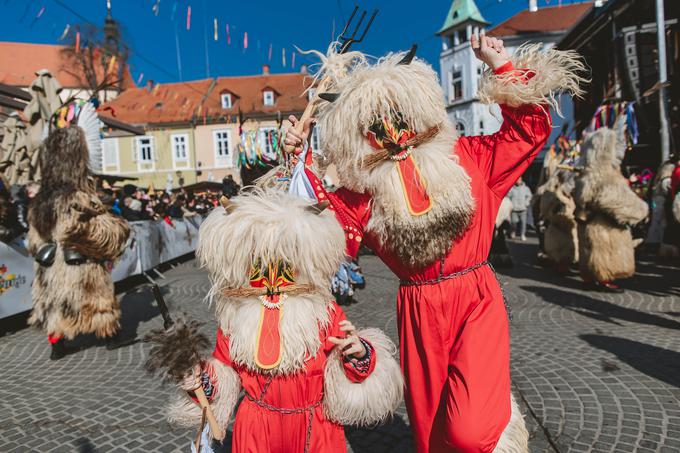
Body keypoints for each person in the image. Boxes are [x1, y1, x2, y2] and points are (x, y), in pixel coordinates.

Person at [285, 35, 585, 452]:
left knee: (470, 430)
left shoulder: (470, 158)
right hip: (419, 312)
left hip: (476, 301)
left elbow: (527, 133)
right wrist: (295, 159)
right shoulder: (364, 193)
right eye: (376, 128)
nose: (394, 135)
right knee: (431, 431)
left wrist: (500, 64)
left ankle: (499, 425)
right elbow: (312, 236)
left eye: (400, 118)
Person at [167, 190, 403, 452]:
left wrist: (358, 353)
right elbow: (223, 371)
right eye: (259, 265)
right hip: (257, 427)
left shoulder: (325, 312)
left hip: (315, 426)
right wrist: (200, 380)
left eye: (285, 265)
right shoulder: (236, 316)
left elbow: (348, 369)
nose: (272, 278)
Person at [27, 102, 130, 360]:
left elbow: (33, 241)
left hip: (49, 268)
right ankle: (111, 336)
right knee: (97, 299)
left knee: (54, 303)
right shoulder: (79, 198)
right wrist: (118, 229)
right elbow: (95, 234)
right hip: (78, 266)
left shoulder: (41, 201)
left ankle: (57, 343)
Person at [574, 119, 649, 293]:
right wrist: (639, 210)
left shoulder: (587, 175)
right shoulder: (607, 177)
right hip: (605, 224)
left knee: (591, 249)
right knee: (604, 251)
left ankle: (590, 277)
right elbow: (614, 201)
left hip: (591, 223)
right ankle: (604, 279)